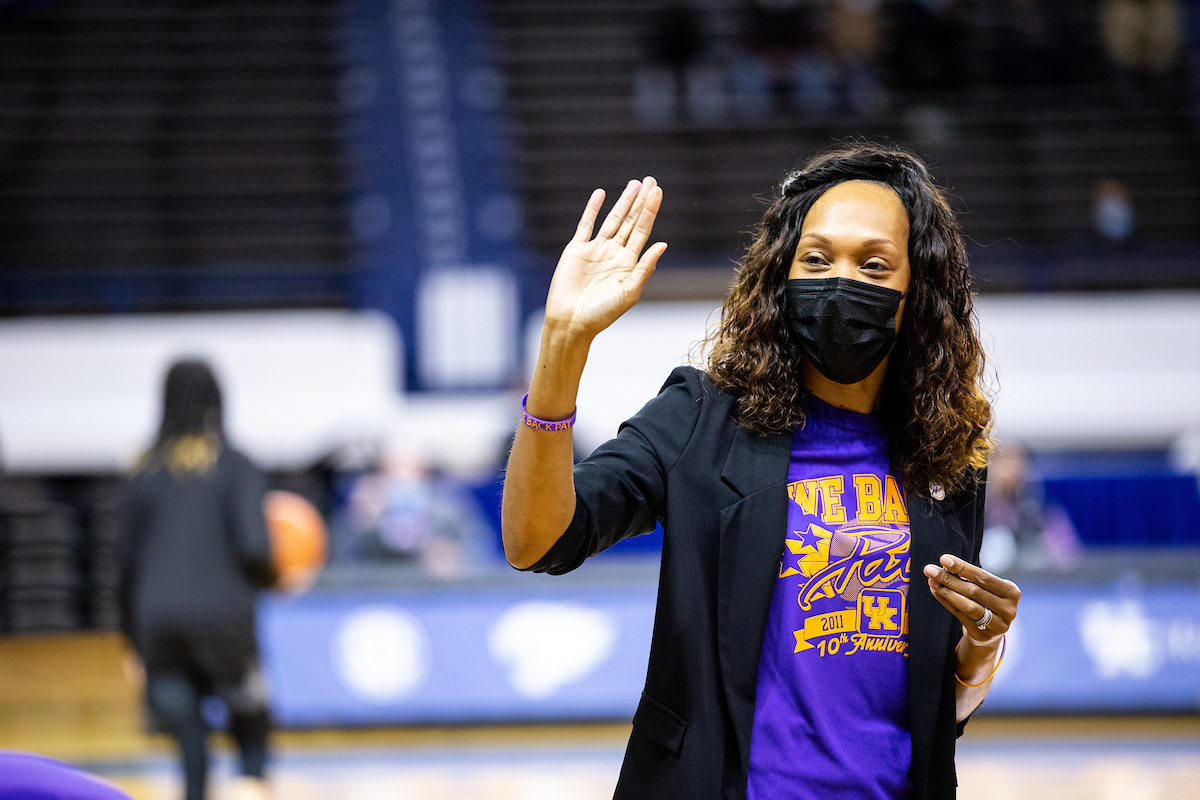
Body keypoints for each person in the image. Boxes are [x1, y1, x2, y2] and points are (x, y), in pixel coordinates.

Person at [502, 143, 1021, 799]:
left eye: (874, 264)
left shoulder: (946, 458)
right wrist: (563, 345)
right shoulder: (700, 418)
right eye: (816, 259)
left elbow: (935, 717)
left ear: (918, 291)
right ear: (781, 274)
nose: (840, 282)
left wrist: (981, 644)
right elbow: (538, 540)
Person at [117, 360, 276, 800]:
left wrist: (132, 641)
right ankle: (251, 784)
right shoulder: (237, 465)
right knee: (250, 725)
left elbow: (124, 564)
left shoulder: (140, 469)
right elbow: (255, 547)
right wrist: (275, 579)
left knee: (188, 738)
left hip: (158, 622)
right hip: (225, 621)